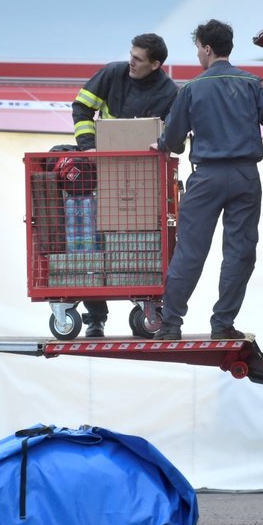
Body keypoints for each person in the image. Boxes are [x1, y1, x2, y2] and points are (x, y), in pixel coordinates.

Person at [151, 19, 263, 341]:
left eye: (198, 48)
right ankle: (222, 323)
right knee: (240, 252)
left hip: (207, 179)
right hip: (245, 178)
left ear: (208, 48)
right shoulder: (253, 85)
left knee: (190, 251)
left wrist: (163, 146)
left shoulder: (192, 89)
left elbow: (173, 137)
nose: (198, 54)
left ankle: (170, 324)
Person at [71, 33, 178, 337]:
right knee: (96, 242)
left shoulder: (170, 92)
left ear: (156, 64)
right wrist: (88, 147)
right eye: (131, 54)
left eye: (139, 58)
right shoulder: (112, 74)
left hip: (144, 180)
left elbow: (175, 133)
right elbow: (81, 108)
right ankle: (95, 319)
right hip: (102, 171)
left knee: (143, 245)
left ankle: (145, 306)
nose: (131, 61)